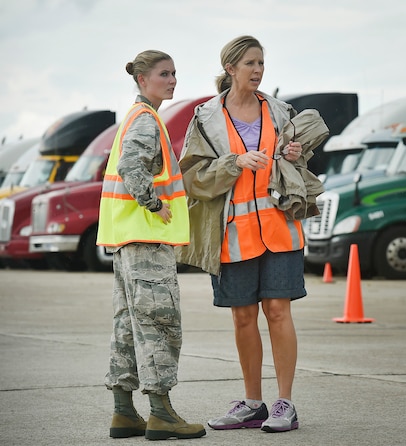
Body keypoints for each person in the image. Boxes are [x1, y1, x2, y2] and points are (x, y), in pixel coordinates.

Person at [176, 35, 324, 433]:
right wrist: (234, 162)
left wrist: (295, 153)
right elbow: (193, 178)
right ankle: (253, 403)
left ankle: (285, 404)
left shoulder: (279, 111)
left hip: (281, 229)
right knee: (243, 318)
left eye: (262, 63)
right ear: (230, 68)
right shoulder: (205, 118)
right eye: (250, 64)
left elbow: (298, 158)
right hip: (232, 234)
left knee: (278, 312)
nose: (258, 71)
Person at [96, 49, 205, 441]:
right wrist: (154, 203)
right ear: (143, 80)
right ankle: (161, 413)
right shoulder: (146, 120)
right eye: (164, 74)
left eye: (175, 73)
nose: (172, 80)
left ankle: (124, 412)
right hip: (147, 240)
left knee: (127, 326)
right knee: (161, 324)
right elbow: (131, 166)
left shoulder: (137, 117)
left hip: (127, 243)